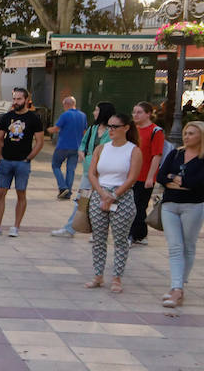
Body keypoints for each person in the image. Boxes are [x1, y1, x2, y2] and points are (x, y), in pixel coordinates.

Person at [159, 121, 204, 309]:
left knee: (188, 246)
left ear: (202, 136)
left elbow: (194, 182)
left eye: (191, 133)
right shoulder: (175, 154)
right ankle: (176, 288)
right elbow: (161, 176)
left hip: (193, 206)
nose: (186, 136)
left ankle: (178, 287)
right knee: (175, 247)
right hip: (169, 205)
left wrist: (173, 178)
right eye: (185, 133)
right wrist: (177, 179)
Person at [85, 113, 142, 293]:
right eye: (109, 126)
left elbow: (132, 177)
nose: (111, 130)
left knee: (120, 239)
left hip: (122, 197)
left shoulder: (133, 150)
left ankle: (117, 277)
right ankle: (98, 275)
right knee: (98, 238)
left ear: (126, 128)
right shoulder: (101, 148)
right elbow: (92, 173)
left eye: (115, 127)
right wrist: (102, 193)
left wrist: (114, 195)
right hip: (100, 194)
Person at [51, 102, 115, 238]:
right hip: (89, 172)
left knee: (101, 202)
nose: (94, 112)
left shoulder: (112, 131)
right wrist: (82, 153)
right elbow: (83, 143)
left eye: (97, 110)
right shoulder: (93, 128)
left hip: (104, 174)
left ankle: (98, 232)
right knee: (82, 201)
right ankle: (70, 229)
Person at [0, 87, 44, 237]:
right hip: (6, 160)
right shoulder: (6, 117)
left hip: (23, 162)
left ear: (27, 100)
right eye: (14, 98)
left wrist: (29, 158)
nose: (16, 102)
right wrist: (0, 156)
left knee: (21, 193)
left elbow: (39, 142)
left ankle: (16, 226)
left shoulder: (34, 119)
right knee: (0, 192)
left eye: (19, 99)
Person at [130, 101, 166, 246]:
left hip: (144, 175)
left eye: (139, 112)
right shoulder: (132, 129)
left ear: (148, 114)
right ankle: (140, 234)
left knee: (139, 206)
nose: (135, 115)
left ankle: (134, 235)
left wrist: (151, 177)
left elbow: (156, 155)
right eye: (134, 112)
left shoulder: (155, 131)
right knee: (132, 206)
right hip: (131, 174)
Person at [49, 96, 87, 200]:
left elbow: (56, 129)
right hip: (76, 147)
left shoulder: (65, 115)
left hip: (63, 146)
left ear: (66, 104)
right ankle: (68, 193)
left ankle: (63, 187)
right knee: (71, 169)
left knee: (55, 165)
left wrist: (47, 130)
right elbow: (84, 132)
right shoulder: (83, 115)